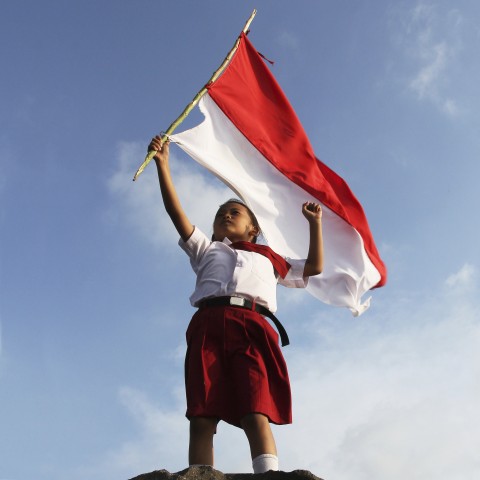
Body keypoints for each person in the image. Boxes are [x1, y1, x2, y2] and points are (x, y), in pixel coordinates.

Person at [149, 135, 324, 473]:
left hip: (252, 325)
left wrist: (314, 225)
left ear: (253, 228)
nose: (227, 216)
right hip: (208, 324)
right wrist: (163, 165)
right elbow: (176, 213)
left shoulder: (271, 258)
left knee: (255, 407)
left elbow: (314, 267)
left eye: (235, 212)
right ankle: (200, 473)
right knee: (202, 410)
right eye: (221, 214)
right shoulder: (207, 248)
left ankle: (268, 472)